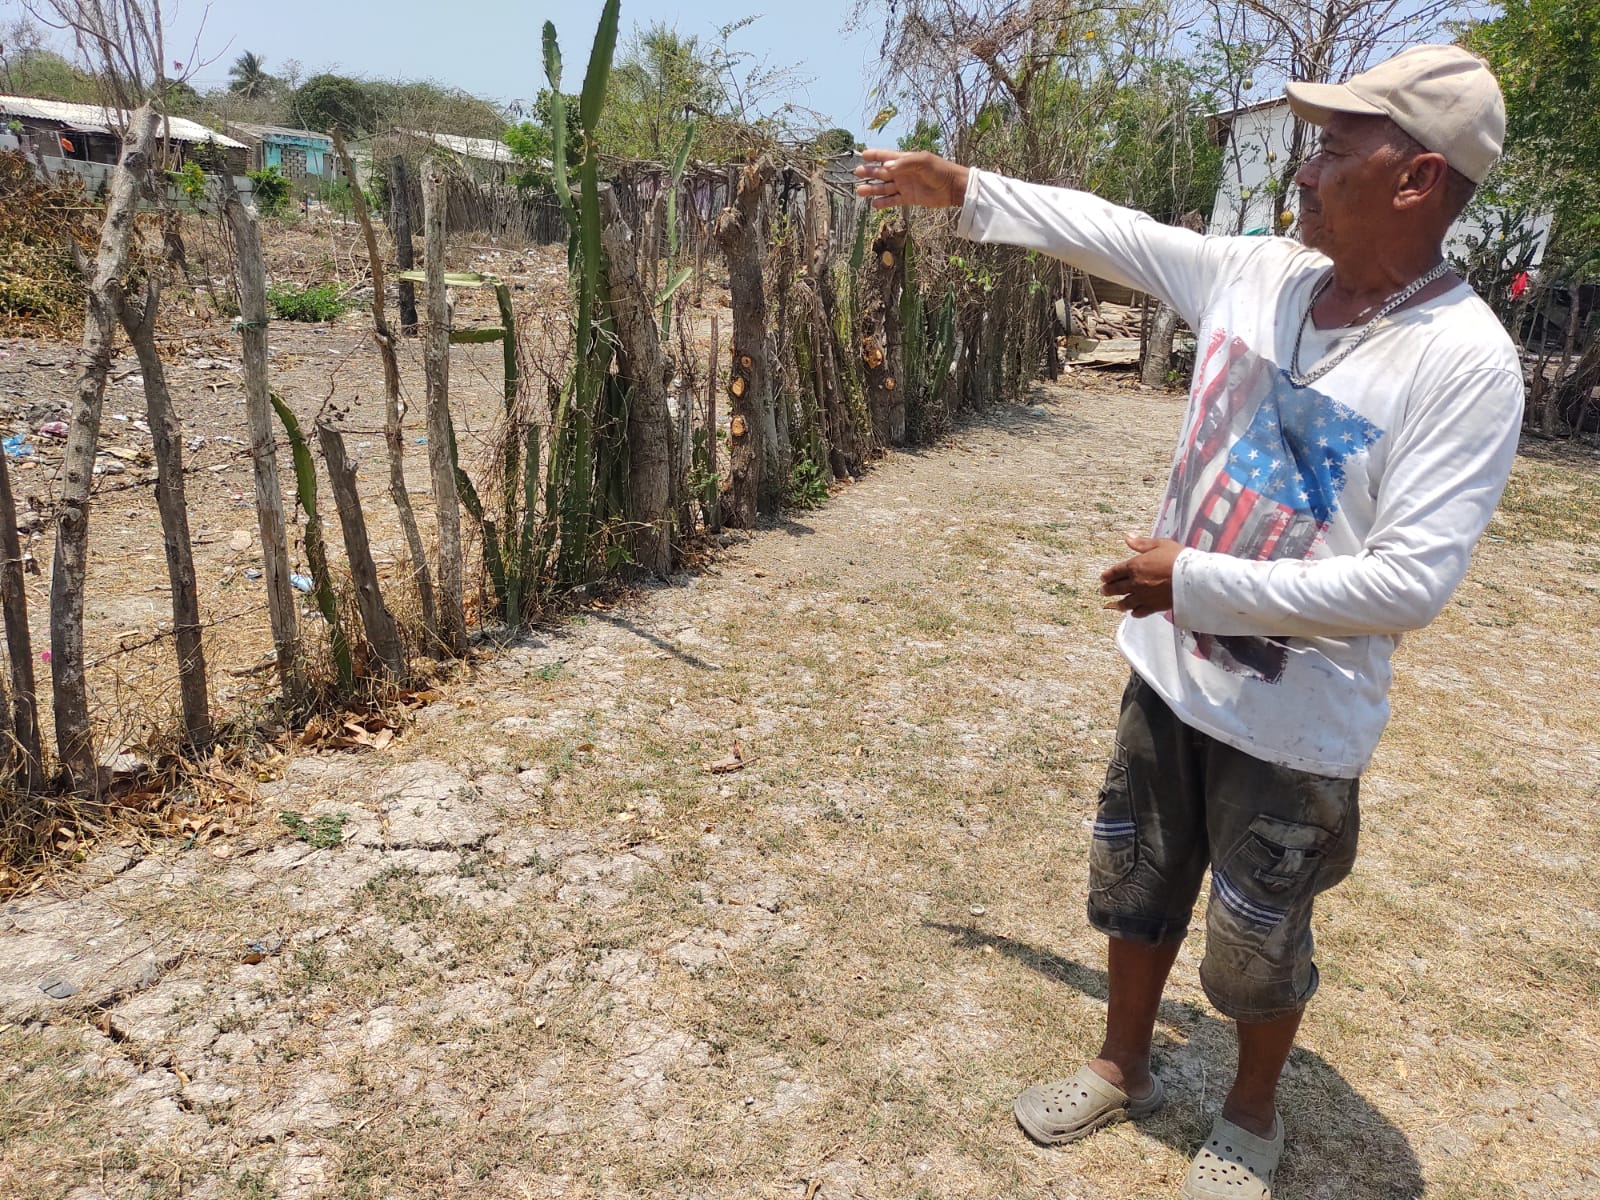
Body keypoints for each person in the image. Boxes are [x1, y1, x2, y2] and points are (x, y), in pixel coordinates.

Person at [856, 44, 1520, 1200]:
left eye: (1331, 147)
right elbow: (1113, 232)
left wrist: (1196, 582)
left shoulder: (1462, 361)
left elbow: (1411, 583)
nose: (1303, 171)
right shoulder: (1261, 277)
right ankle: (1123, 1064)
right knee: (1135, 885)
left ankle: (1250, 1111)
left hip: (1294, 727)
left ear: (1415, 180)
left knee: (1258, 942)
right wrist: (964, 187)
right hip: (1167, 677)